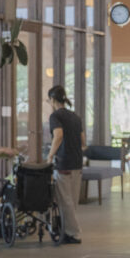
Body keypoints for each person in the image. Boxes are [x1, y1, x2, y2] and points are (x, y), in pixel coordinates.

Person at [45, 85, 85, 245]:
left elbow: (58, 135)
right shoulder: (75, 117)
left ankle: (74, 233)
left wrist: (50, 155)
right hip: (77, 162)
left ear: (52, 100)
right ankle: (68, 231)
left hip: (63, 163)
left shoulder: (55, 116)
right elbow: (83, 141)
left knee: (65, 201)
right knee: (72, 201)